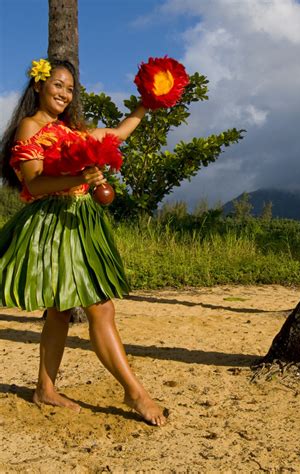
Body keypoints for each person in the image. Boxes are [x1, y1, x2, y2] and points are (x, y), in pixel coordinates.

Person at [0, 58, 167, 426]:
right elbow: (35, 184)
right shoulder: (31, 126)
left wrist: (146, 103)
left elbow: (119, 133)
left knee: (60, 309)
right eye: (57, 84)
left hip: (81, 221)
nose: (63, 92)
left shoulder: (71, 130)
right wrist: (78, 175)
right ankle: (135, 391)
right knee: (100, 308)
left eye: (70, 88)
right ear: (39, 86)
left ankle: (45, 387)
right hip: (55, 222)